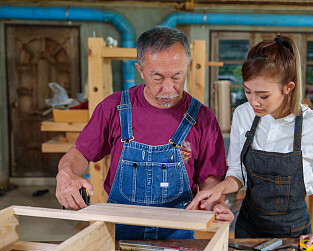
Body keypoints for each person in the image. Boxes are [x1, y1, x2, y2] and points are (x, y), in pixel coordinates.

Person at [55, 26, 234, 240]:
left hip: (178, 233)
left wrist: (216, 205)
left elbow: (211, 181)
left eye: (177, 77)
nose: (168, 89)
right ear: (140, 70)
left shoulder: (203, 118)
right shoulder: (114, 108)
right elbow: (80, 153)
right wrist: (66, 173)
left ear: (186, 67)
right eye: (157, 78)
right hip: (119, 230)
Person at [187, 35, 313, 251]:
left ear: (288, 87)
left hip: (296, 234)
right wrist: (218, 189)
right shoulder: (243, 115)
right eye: (247, 91)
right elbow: (238, 172)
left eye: (263, 95)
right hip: (248, 229)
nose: (254, 101)